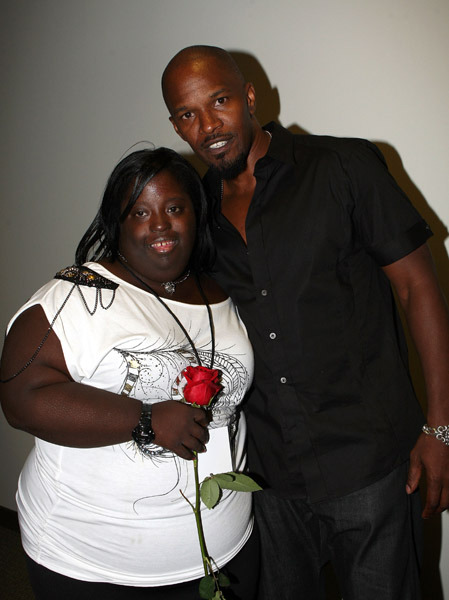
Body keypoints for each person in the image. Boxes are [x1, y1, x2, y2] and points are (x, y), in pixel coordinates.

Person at [161, 45, 449, 599]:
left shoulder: (344, 166)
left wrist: (440, 428)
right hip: (268, 476)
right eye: (188, 114)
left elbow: (419, 290)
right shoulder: (193, 212)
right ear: (175, 123)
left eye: (218, 101)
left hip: (370, 464)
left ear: (248, 97)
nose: (207, 126)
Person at [0, 147, 259, 600]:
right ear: (117, 224)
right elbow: (21, 399)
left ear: (196, 215)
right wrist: (145, 419)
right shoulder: (75, 296)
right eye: (140, 212)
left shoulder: (221, 289)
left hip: (223, 556)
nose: (160, 224)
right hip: (91, 566)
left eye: (175, 208)